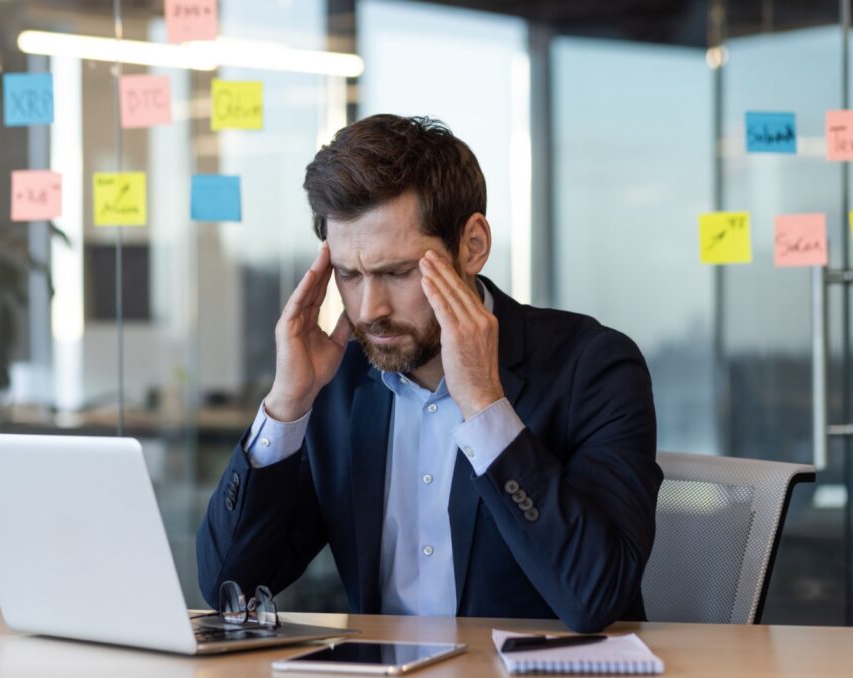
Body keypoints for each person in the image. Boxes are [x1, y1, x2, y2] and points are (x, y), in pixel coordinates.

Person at [197, 114, 662, 633]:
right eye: (349, 275)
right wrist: (286, 406)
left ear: (473, 246)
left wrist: (486, 406)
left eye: (396, 273)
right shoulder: (336, 382)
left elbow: (596, 597)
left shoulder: (593, 367)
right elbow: (226, 585)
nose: (369, 309)